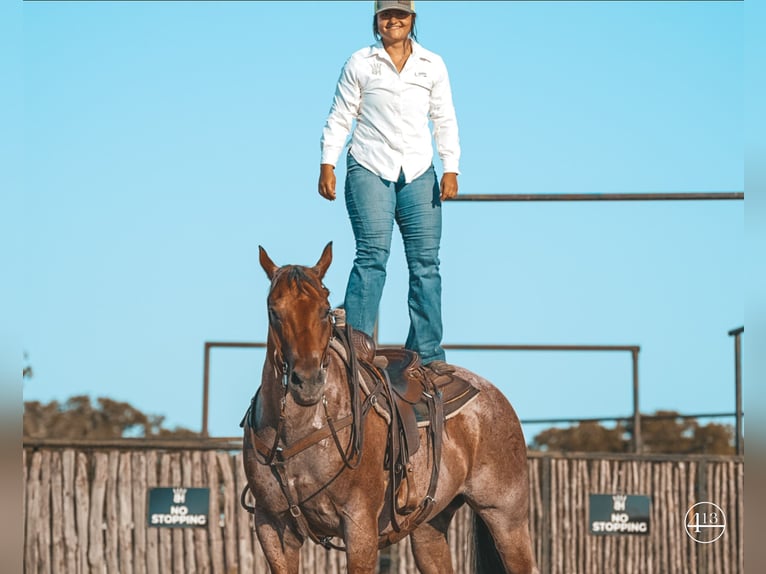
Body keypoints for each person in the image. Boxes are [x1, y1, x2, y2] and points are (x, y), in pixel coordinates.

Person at [318, 0, 460, 370]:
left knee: (426, 263)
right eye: (386, 15)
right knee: (372, 256)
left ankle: (427, 352)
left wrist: (451, 167)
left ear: (412, 19)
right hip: (369, 166)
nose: (393, 21)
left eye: (400, 14)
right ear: (376, 20)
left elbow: (444, 117)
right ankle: (357, 346)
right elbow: (340, 115)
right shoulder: (360, 63)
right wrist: (327, 163)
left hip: (418, 171)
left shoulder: (433, 65)